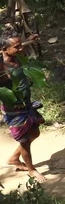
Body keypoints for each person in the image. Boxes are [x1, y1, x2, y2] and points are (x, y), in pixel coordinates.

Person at [1, 33, 46, 182]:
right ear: (4, 49)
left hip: (26, 103)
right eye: (17, 47)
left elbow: (17, 46)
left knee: (35, 131)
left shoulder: (13, 56)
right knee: (25, 140)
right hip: (14, 108)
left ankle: (14, 158)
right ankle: (32, 171)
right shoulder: (1, 66)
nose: (21, 49)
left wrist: (28, 41)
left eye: (21, 45)